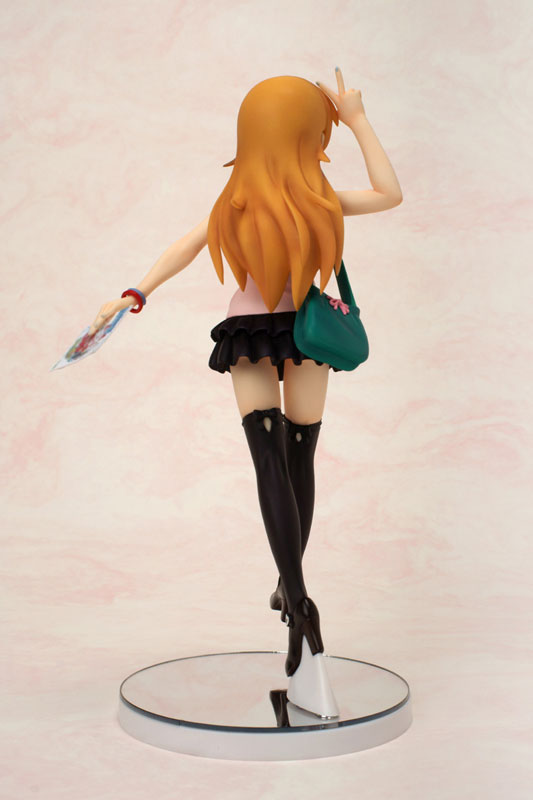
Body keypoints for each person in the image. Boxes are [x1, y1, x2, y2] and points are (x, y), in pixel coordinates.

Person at [89, 67, 403, 717]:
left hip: (250, 334)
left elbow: (185, 245)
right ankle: (295, 597)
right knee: (299, 457)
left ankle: (298, 599)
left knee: (270, 462)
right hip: (308, 333)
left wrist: (136, 292)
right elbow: (388, 193)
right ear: (308, 134)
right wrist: (358, 117)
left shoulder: (236, 198)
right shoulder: (317, 196)